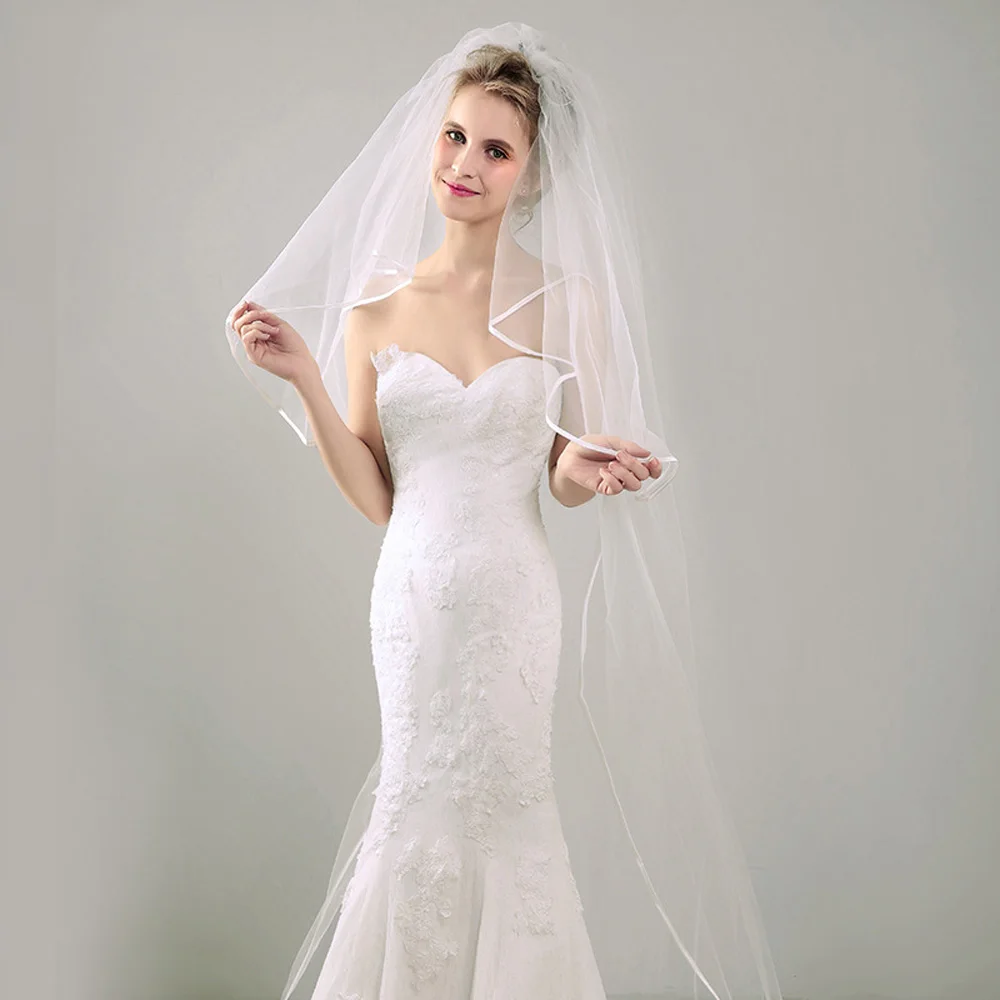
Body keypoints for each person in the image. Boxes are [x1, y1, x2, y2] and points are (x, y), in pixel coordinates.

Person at [226, 22, 782, 1000]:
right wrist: (307, 379)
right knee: (417, 802)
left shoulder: (570, 300)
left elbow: (562, 471)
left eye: (495, 150)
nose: (464, 165)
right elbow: (378, 496)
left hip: (513, 600)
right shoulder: (374, 310)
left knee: (509, 810)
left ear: (531, 175)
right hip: (412, 600)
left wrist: (587, 467)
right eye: (453, 137)